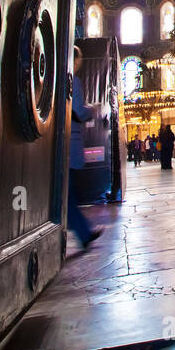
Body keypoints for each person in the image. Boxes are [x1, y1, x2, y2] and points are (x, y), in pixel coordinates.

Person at [68, 46, 104, 248]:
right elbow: (78, 112)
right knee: (67, 194)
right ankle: (83, 232)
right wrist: (93, 108)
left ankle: (83, 232)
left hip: (60, 144)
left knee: (67, 193)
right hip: (70, 142)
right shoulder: (73, 80)